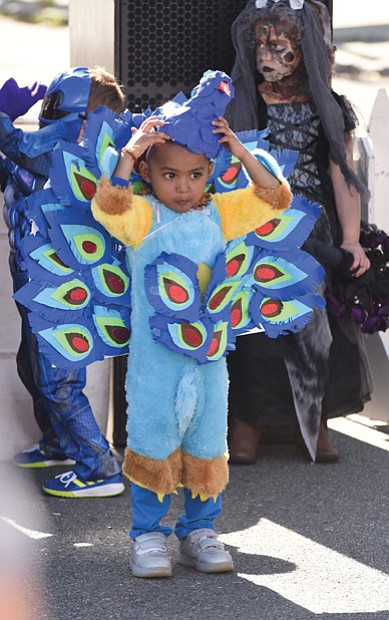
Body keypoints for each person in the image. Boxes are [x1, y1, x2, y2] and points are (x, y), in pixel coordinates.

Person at [90, 69, 294, 577]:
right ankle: (148, 535)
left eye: (195, 174)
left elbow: (275, 198)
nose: (183, 187)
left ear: (211, 171)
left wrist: (244, 155)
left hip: (208, 358)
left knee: (206, 441)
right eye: (168, 175)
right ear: (150, 176)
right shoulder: (141, 217)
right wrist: (131, 152)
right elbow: (107, 204)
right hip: (154, 362)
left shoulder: (220, 215)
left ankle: (200, 530)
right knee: (153, 438)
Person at [225, 0, 373, 465]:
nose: (268, 56)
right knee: (254, 323)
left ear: (306, 51)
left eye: (281, 47)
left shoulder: (329, 108)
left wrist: (350, 239)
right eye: (261, 45)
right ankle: (246, 423)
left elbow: (341, 174)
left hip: (313, 228)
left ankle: (317, 420)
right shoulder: (240, 102)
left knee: (315, 322)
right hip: (255, 224)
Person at [3, 66, 127, 498]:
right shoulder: (40, 156)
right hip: (32, 285)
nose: (45, 111)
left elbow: (16, 144)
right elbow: (12, 164)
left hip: (62, 294)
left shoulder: (69, 152)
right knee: (30, 367)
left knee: (58, 382)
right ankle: (59, 442)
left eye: (54, 104)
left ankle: (100, 465)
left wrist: (0, 114)